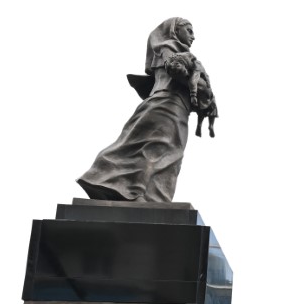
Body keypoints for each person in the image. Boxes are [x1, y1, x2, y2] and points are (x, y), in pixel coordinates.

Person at [77, 18, 215, 203]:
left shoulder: (186, 57)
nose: (193, 36)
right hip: (166, 104)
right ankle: (133, 191)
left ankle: (153, 197)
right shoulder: (167, 47)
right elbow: (176, 71)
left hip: (180, 110)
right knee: (154, 149)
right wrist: (202, 87)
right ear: (175, 31)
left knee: (170, 155)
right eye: (189, 31)